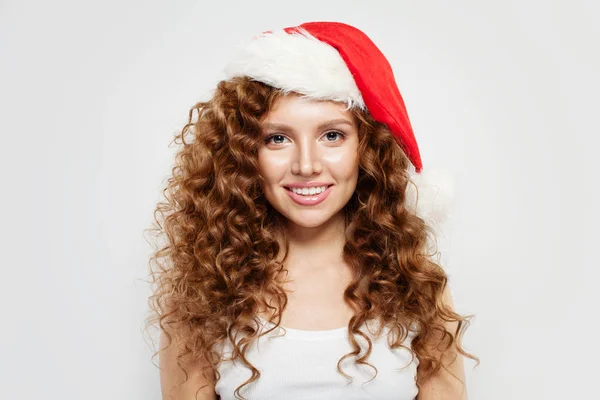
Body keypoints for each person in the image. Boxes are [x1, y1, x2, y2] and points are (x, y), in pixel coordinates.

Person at [146, 21, 479, 400]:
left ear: (367, 149)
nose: (307, 165)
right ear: (242, 154)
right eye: (278, 138)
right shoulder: (203, 291)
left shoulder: (416, 282)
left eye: (332, 135)